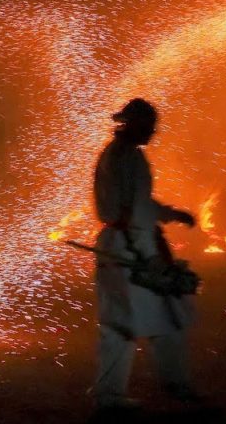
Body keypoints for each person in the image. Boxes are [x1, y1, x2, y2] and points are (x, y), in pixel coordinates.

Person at [91, 98, 198, 410]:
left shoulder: (120, 154)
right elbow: (133, 211)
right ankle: (160, 387)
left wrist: (171, 214)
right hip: (130, 249)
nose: (153, 131)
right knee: (143, 319)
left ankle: (118, 394)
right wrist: (148, 254)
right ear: (133, 124)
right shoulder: (127, 157)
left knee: (131, 321)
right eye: (149, 125)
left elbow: (139, 204)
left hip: (121, 245)